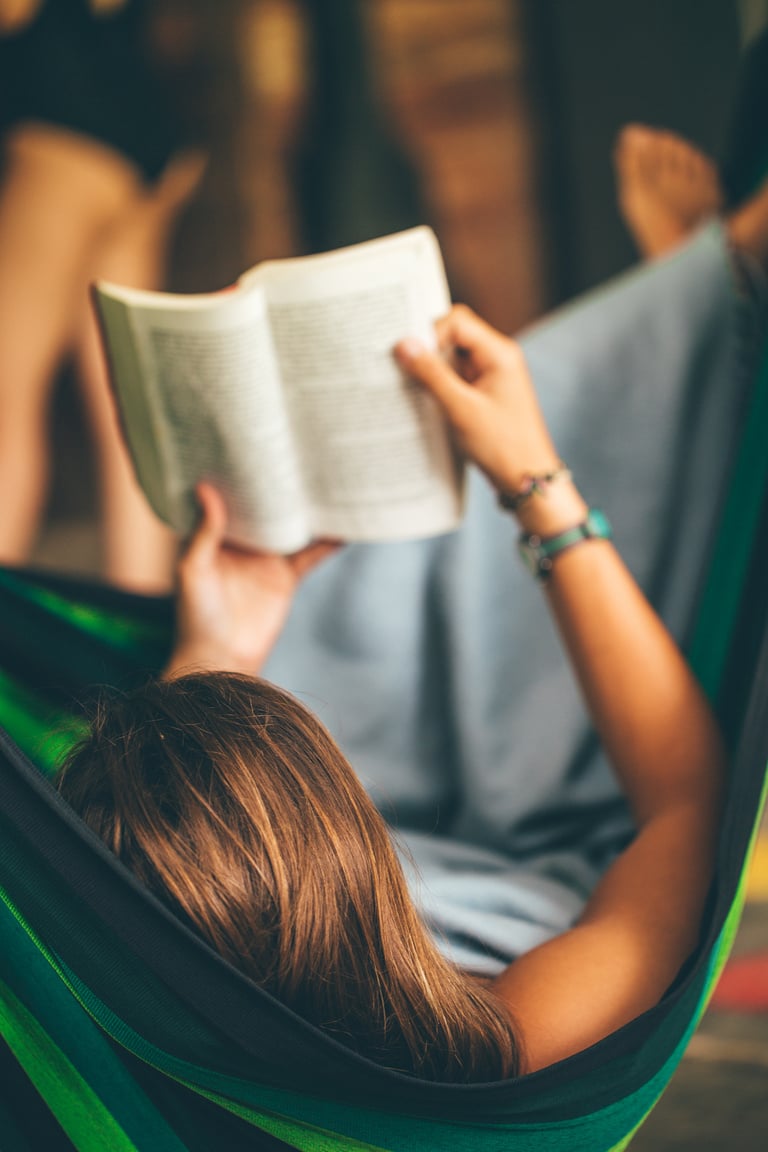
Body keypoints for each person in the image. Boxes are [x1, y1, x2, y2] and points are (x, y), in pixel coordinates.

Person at [54, 150, 768, 1078]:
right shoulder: (514, 1036)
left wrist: (217, 645)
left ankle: (708, 306)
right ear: (360, 866)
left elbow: (171, 904)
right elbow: (685, 803)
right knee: (522, 423)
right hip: (539, 572)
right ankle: (717, 303)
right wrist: (532, 483)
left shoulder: (100, 1020)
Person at [0, 0, 205, 590]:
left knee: (7, 403)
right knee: (125, 413)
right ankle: (146, 643)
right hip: (149, 131)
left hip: (64, 135)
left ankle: (6, 641)